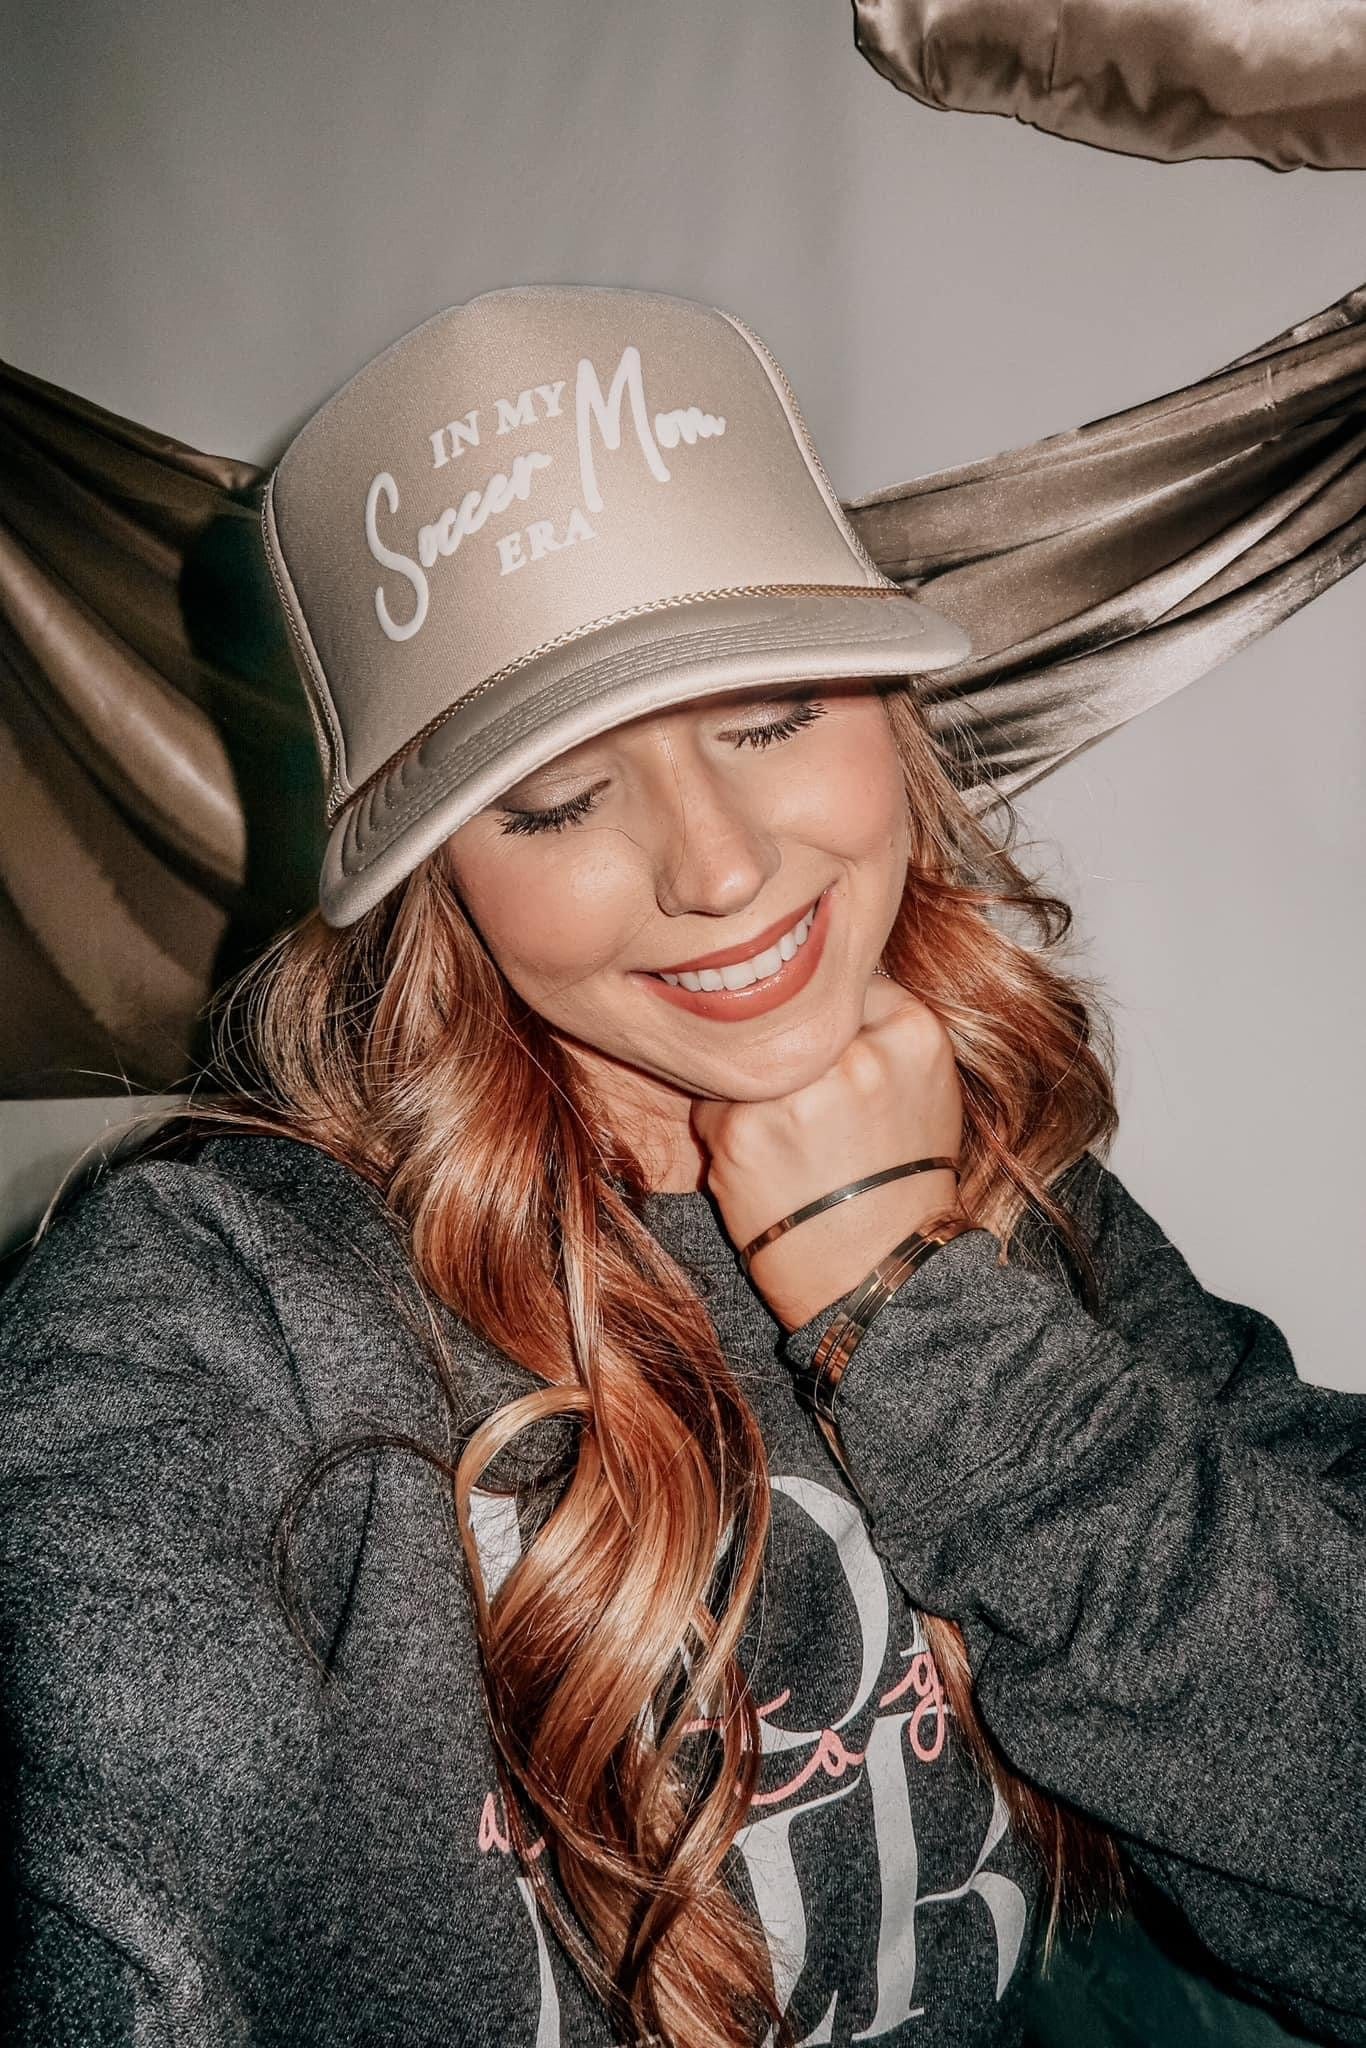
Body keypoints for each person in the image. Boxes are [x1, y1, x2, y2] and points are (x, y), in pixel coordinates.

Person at [0, 284, 1362, 2048]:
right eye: (557, 799)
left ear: (889, 714)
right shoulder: (213, 1304)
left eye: (771, 712)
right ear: (436, 881)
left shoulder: (1016, 1183)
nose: (716, 868)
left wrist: (919, 1317)